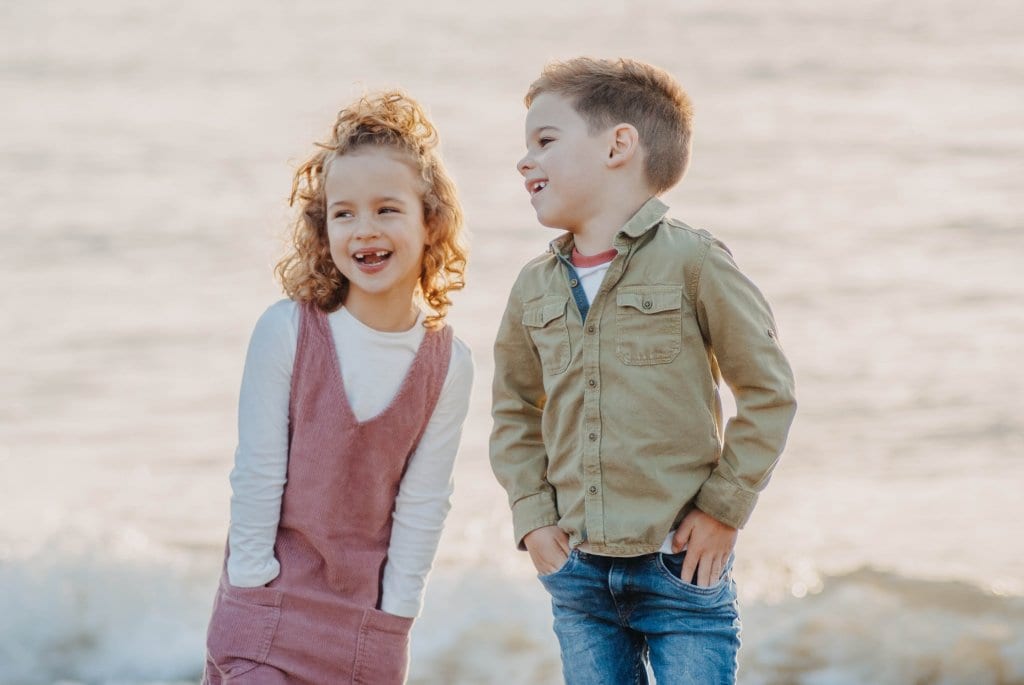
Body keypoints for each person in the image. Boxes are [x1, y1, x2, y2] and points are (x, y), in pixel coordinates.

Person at [489, 57, 797, 684]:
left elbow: (769, 392)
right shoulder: (533, 288)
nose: (525, 161)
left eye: (545, 141)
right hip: (577, 572)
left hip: (679, 566)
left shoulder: (694, 261)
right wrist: (533, 516)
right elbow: (515, 409)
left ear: (618, 147)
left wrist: (723, 510)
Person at [203, 90, 473, 684]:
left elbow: (423, 506)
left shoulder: (447, 364)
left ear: (431, 222)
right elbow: (257, 475)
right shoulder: (286, 332)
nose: (364, 230)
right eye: (343, 212)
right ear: (322, 232)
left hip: (363, 637)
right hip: (265, 621)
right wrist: (251, 589)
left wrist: (394, 620)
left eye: (387, 209)